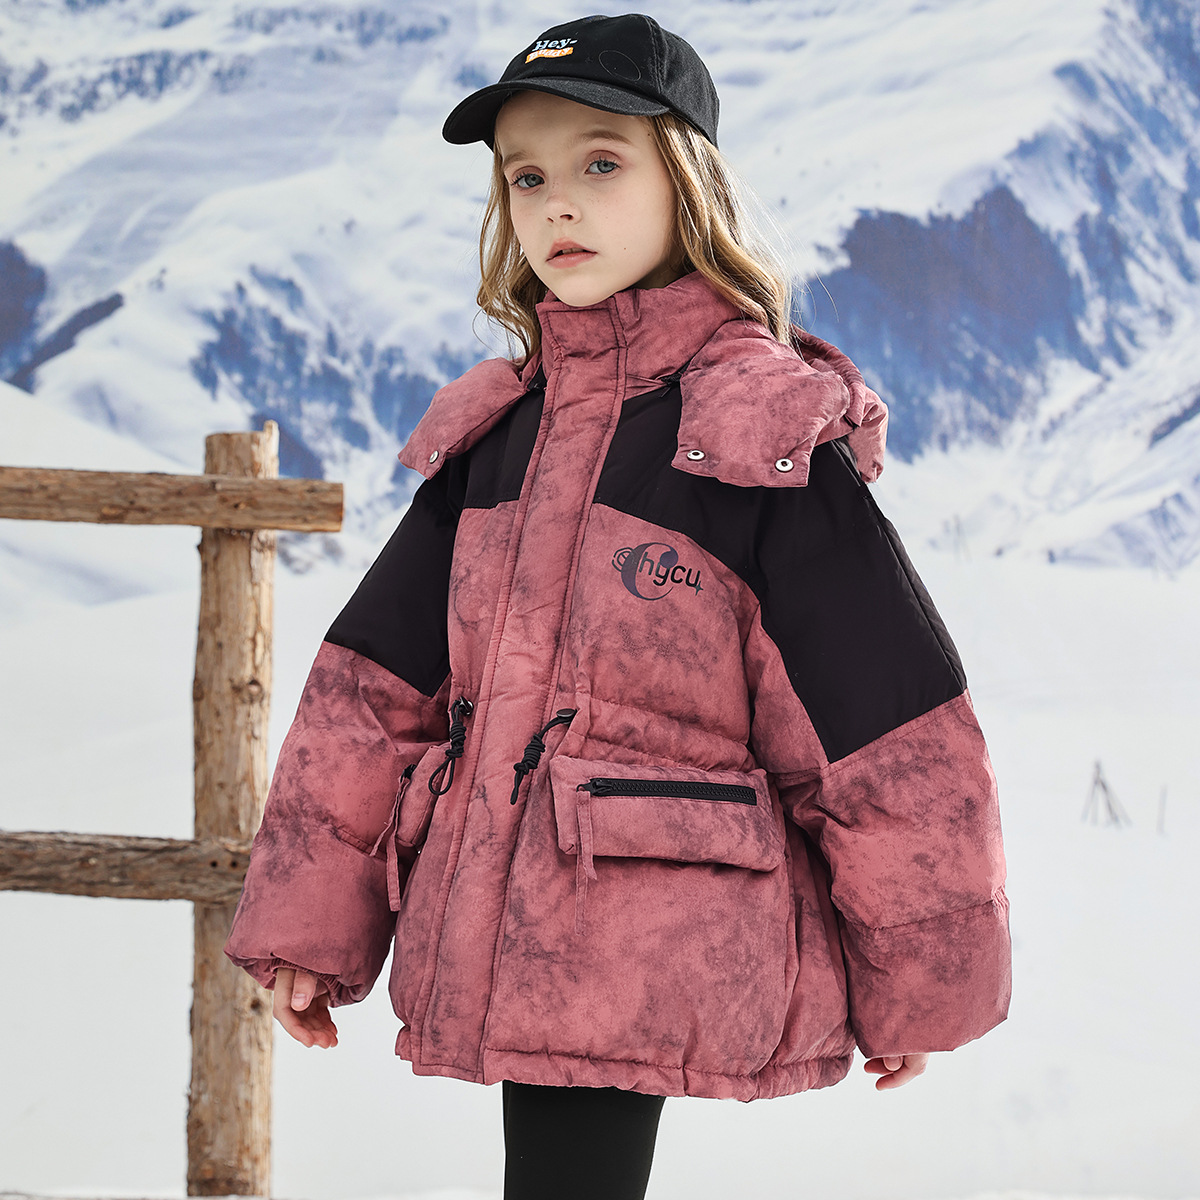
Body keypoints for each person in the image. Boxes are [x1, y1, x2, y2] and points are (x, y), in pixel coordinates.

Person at [225, 14, 1011, 1200]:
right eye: (527, 178)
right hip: (516, 922)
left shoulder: (757, 434)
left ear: (686, 181)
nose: (558, 207)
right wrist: (309, 924)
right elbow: (371, 699)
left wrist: (921, 974)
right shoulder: (499, 438)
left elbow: (883, 729)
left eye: (601, 163)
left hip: (662, 933)